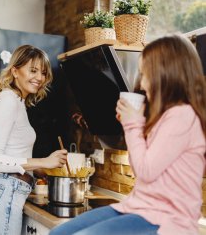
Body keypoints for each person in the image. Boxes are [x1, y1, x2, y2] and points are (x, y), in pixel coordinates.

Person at [49, 34, 206, 235]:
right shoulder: (162, 116)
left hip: (167, 217)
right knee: (58, 233)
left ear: (165, 74)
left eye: (146, 74)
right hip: (136, 207)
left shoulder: (182, 115)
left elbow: (146, 170)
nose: (143, 84)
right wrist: (132, 124)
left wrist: (133, 124)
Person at [0, 45, 68, 235]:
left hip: (2, 194)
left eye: (43, 72)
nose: (39, 78)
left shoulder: (18, 102)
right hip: (1, 194)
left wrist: (39, 169)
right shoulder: (8, 100)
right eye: (33, 70)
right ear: (15, 71)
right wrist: (43, 161)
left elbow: (12, 153)